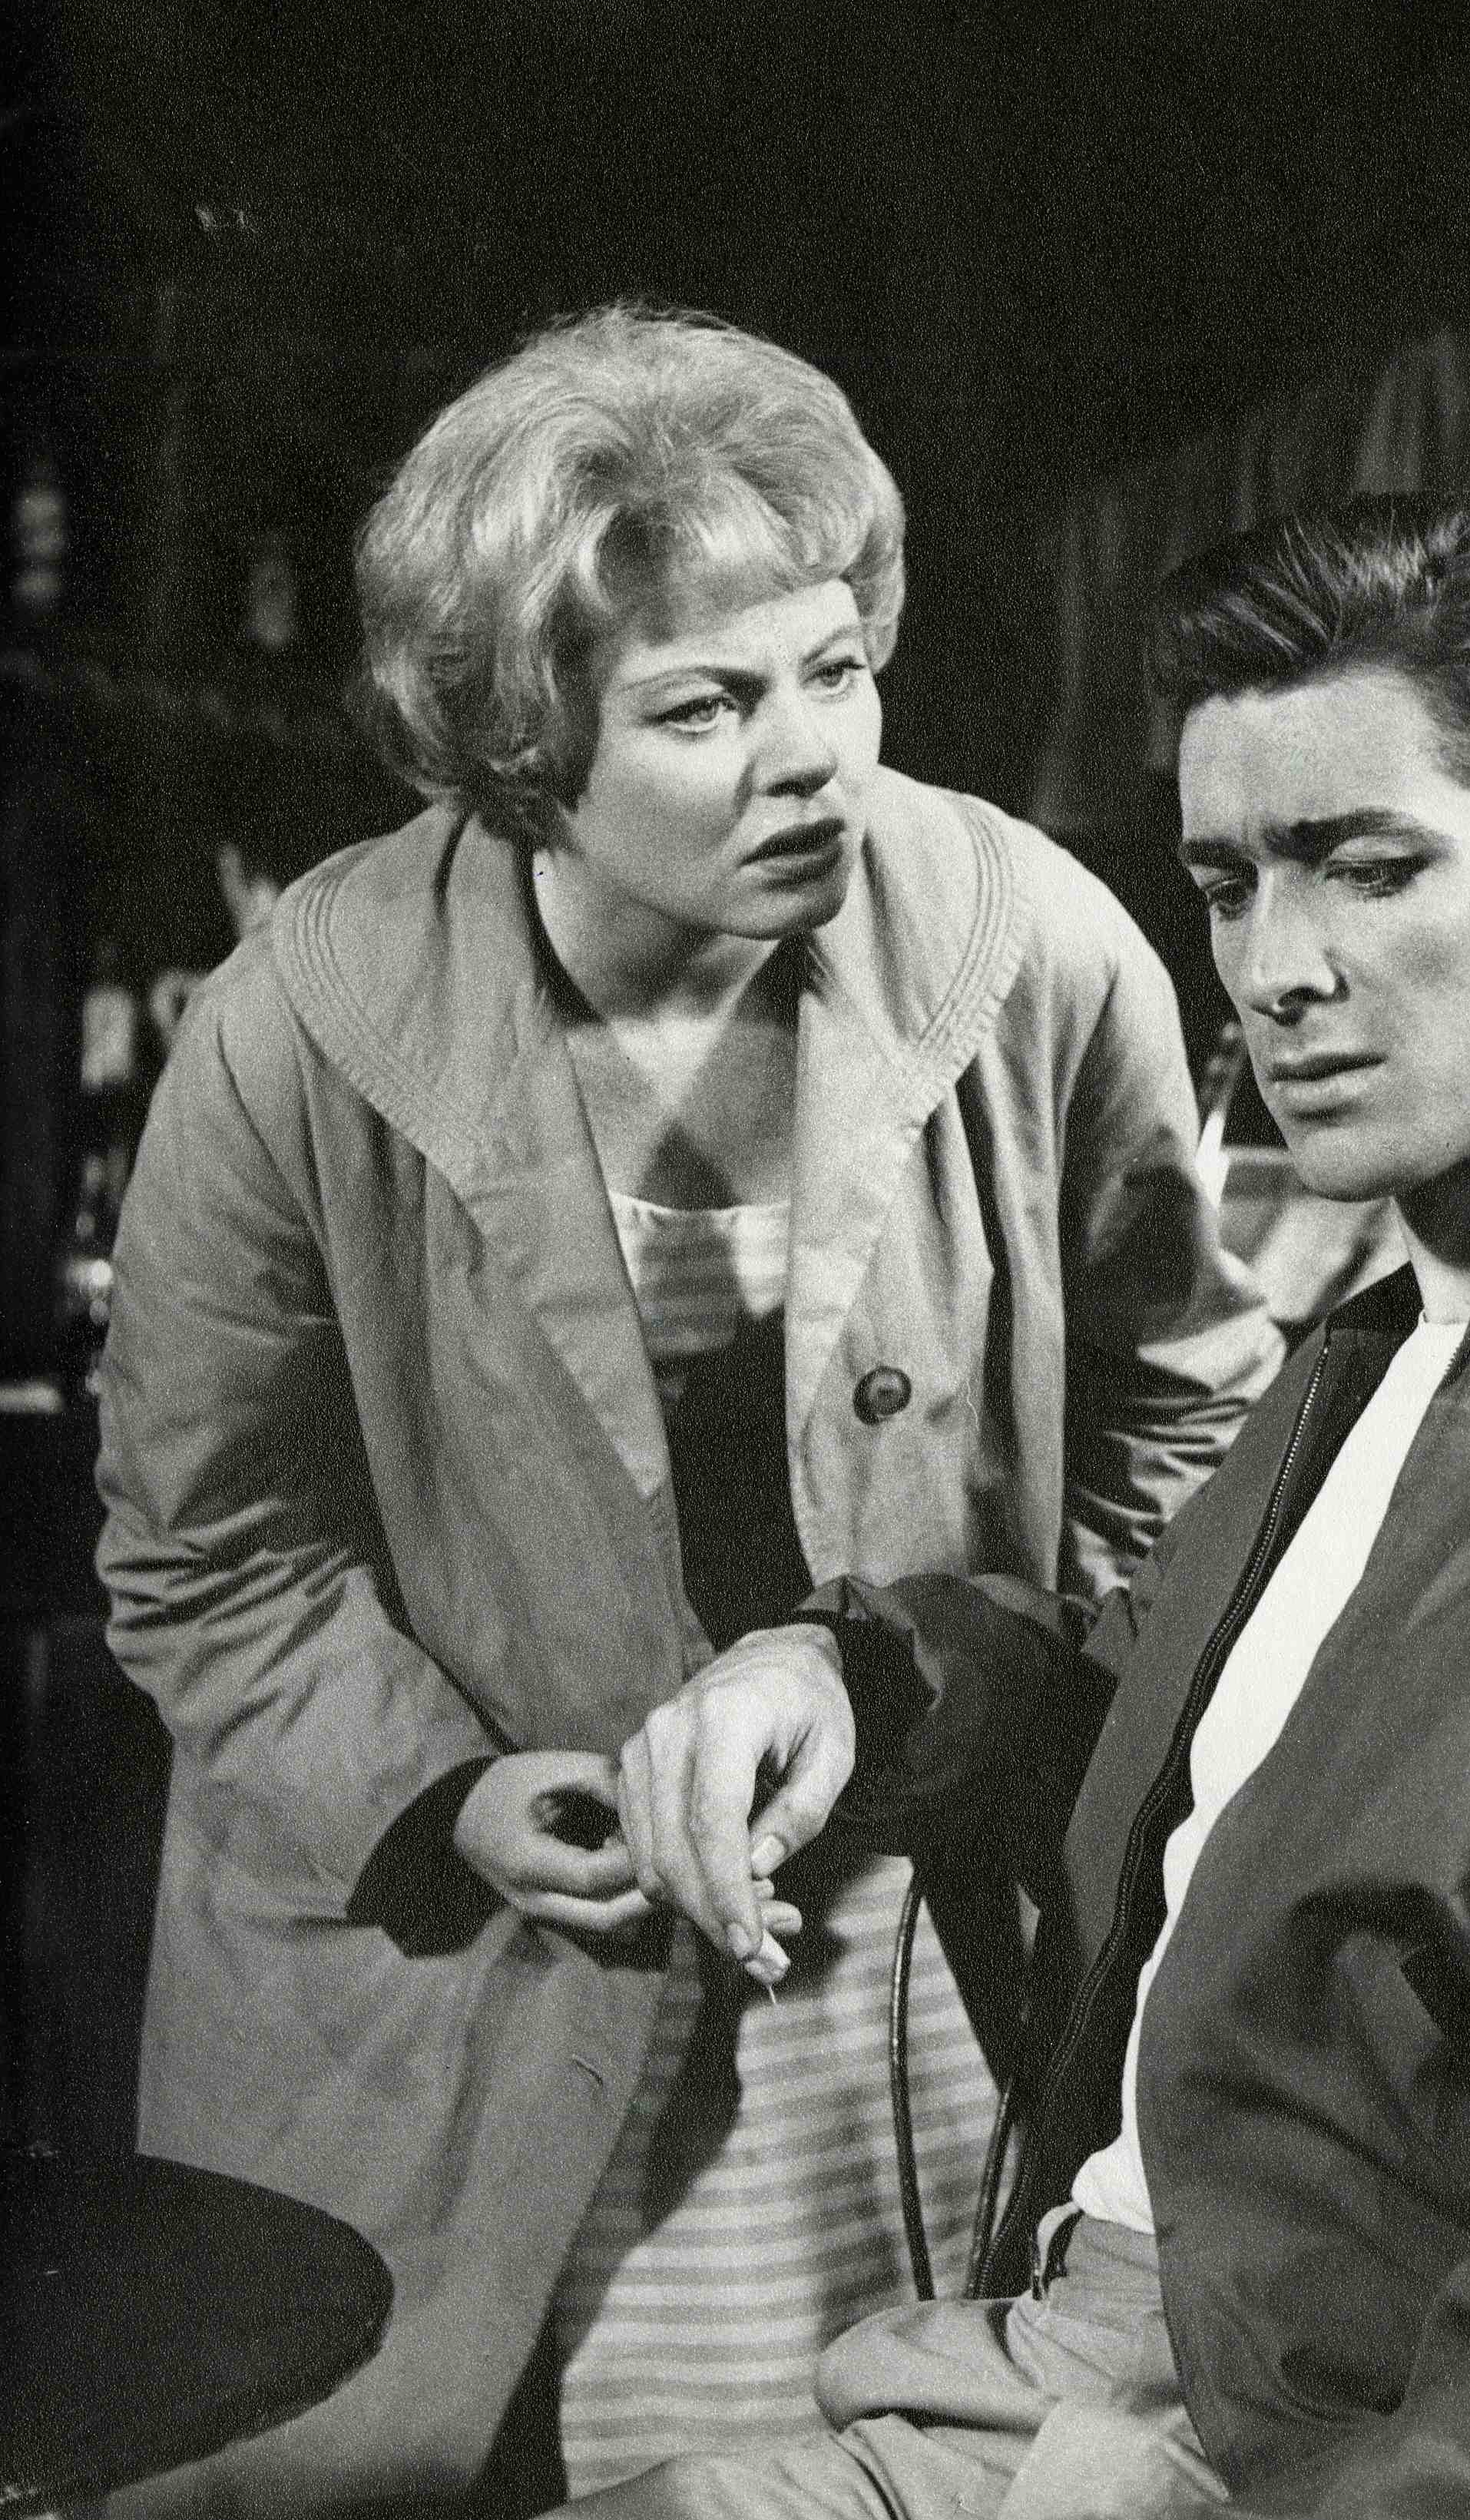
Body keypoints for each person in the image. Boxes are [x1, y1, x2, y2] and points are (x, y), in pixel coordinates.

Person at [566, 496, 1470, 2519]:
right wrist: (847, 1670)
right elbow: (1205, 1723)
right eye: (1227, 883)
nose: (1274, 970)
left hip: (1314, 2457)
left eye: (1368, 867)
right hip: (1057, 2362)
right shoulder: (1395, 1332)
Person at [92, 306, 1280, 2516]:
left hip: (899, 1965)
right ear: (524, 749)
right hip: (459, 1985)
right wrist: (450, 1792)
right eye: (707, 707)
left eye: (835, 668)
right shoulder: (293, 1027)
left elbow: (1200, 1449)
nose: (813, 755)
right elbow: (206, 1555)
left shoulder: (1029, 942)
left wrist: (939, 1674)